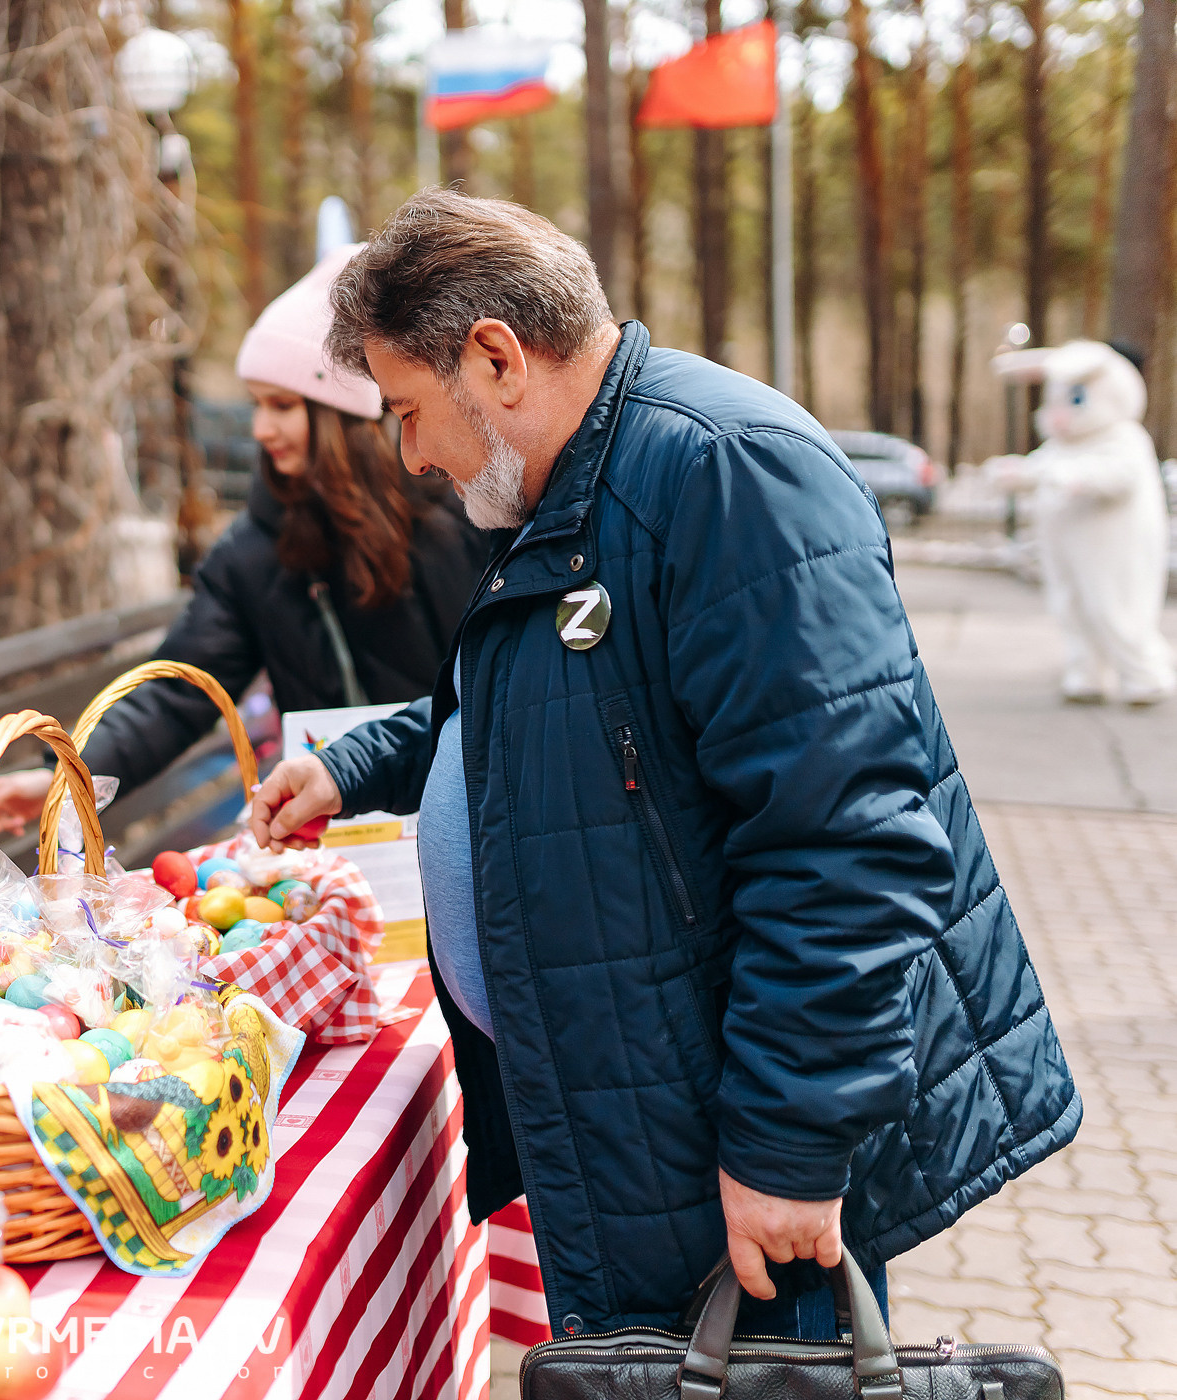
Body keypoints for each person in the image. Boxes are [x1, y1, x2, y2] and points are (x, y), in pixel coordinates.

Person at [248, 190, 1080, 1340]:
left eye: (406, 410)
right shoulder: (569, 486)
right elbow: (516, 707)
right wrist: (360, 765)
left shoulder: (727, 476)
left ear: (495, 358)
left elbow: (845, 843)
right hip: (644, 1108)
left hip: (728, 1135)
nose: (412, 456)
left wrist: (790, 1141)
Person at [0, 245, 493, 834]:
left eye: (281, 406)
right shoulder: (256, 550)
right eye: (256, 406)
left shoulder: (459, 513)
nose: (260, 429)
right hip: (339, 821)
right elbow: (176, 689)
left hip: (468, 803)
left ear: (342, 414)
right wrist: (63, 775)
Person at [985, 340, 1173, 705]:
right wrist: (1016, 473)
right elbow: (1041, 469)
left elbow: (1118, 476)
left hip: (1112, 552)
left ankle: (1144, 673)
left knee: (1116, 608)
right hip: (1068, 550)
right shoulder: (1062, 446)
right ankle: (1086, 671)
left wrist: (1074, 477)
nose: (1058, 415)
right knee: (1072, 608)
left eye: (1073, 401)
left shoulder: (1123, 438)